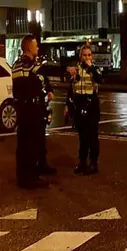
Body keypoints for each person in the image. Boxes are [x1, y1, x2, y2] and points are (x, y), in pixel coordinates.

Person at [12, 35, 56, 189]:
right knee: (28, 144)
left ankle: (36, 169)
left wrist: (47, 89)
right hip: (28, 109)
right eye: (36, 46)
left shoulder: (27, 65)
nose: (38, 48)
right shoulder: (24, 64)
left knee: (35, 141)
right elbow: (36, 77)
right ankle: (27, 177)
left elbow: (42, 78)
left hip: (33, 108)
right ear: (29, 47)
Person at [65, 44, 102, 175]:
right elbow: (70, 87)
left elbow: (99, 79)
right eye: (85, 55)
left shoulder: (94, 69)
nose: (87, 57)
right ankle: (82, 162)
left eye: (89, 55)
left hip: (91, 104)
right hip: (79, 103)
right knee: (82, 136)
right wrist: (67, 106)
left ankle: (93, 163)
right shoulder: (76, 69)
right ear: (80, 56)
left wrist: (91, 67)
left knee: (92, 135)